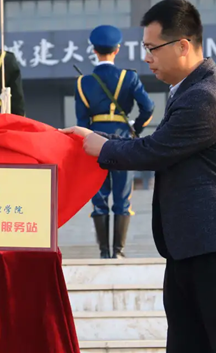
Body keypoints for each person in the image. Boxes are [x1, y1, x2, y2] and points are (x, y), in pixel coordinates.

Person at [61, 0, 216, 352]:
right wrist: (102, 142)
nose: (146, 57)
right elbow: (158, 143)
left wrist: (103, 146)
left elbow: (155, 149)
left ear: (183, 45)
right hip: (192, 248)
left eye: (152, 48)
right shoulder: (186, 91)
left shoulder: (205, 97)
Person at [75, 24, 155, 259]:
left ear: (94, 50)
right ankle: (118, 252)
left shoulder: (83, 83)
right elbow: (148, 108)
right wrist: (135, 130)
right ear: (117, 49)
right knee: (122, 198)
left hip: (95, 142)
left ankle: (103, 252)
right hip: (123, 141)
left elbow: (81, 121)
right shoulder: (129, 77)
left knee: (99, 199)